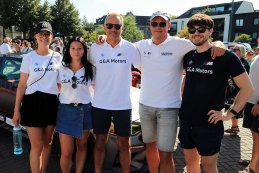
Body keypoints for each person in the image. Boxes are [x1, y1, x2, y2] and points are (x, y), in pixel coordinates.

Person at [96, 11, 225, 173]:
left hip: (169, 109)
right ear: (150, 26)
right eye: (154, 23)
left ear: (169, 26)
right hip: (145, 106)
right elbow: (117, 41)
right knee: (150, 147)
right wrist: (103, 36)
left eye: (162, 24)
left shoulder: (180, 44)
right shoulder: (140, 45)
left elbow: (203, 43)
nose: (158, 27)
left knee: (166, 154)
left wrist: (218, 43)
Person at [179, 13, 254, 173]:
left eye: (201, 29)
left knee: (209, 167)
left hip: (209, 125)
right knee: (191, 163)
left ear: (210, 31)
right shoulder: (188, 55)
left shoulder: (227, 57)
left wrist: (229, 114)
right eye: (192, 29)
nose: (196, 32)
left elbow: (248, 88)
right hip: (186, 121)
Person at [89, 12, 141, 173]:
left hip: (122, 105)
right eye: (109, 25)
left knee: (125, 144)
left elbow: (146, 68)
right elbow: (85, 69)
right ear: (104, 27)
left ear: (122, 28)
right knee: (99, 143)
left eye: (117, 26)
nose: (113, 29)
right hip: (100, 104)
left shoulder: (130, 48)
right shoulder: (95, 48)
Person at [12, 21, 62, 173]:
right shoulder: (29, 58)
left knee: (48, 143)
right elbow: (21, 85)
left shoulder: (58, 57)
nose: (44, 37)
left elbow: (61, 82)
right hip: (32, 103)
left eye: (47, 34)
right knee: (37, 145)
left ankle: (43, 171)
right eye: (41, 34)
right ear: (35, 36)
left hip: (51, 103)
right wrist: (16, 111)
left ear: (51, 36)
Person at [55, 37, 94, 173]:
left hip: (85, 110)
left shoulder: (91, 69)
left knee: (82, 147)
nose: (76, 51)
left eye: (79, 48)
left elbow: (97, 88)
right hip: (66, 111)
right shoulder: (61, 68)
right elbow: (53, 86)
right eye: (73, 48)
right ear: (68, 50)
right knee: (66, 152)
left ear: (84, 50)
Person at [225, 44, 250, 135]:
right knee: (231, 106)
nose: (233, 50)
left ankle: (235, 127)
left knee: (234, 107)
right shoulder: (237, 60)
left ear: (241, 51)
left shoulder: (243, 62)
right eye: (232, 49)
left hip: (238, 89)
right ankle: (234, 127)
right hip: (232, 88)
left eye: (235, 49)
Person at [243, 56, 259, 173]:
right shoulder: (257, 57)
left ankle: (254, 167)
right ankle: (254, 162)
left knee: (257, 137)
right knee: (255, 137)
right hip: (251, 102)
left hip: (256, 104)